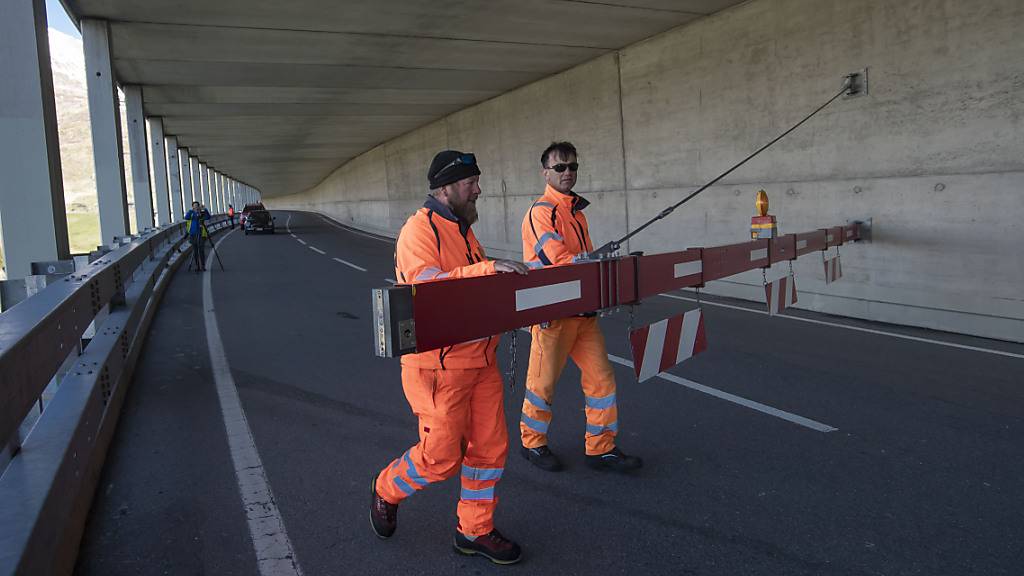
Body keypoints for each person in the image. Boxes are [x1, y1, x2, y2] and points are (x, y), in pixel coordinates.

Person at [371, 150, 529, 565]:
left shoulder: (462, 231)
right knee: (441, 459)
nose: (478, 189)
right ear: (444, 188)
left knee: (489, 450)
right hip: (437, 369)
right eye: (469, 183)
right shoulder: (418, 231)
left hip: (480, 361)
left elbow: (479, 293)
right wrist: (489, 271)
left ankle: (474, 531)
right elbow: (431, 290)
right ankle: (386, 489)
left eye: (476, 181)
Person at [518, 141, 643, 473]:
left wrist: (602, 266)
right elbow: (559, 262)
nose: (568, 172)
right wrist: (598, 262)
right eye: (560, 167)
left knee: (602, 381)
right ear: (546, 173)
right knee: (541, 384)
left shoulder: (576, 214)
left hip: (584, 315)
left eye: (573, 166)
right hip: (552, 315)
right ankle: (532, 443)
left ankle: (600, 448)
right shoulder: (541, 213)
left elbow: (583, 262)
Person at [184, 201, 210, 272]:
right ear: (192, 207)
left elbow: (208, 217)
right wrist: (192, 211)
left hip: (201, 234)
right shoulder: (191, 213)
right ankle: (197, 266)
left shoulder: (202, 213)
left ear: (199, 206)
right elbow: (186, 217)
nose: (195, 207)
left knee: (201, 250)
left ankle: (203, 266)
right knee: (195, 251)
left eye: (197, 206)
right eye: (194, 206)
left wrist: (205, 210)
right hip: (193, 234)